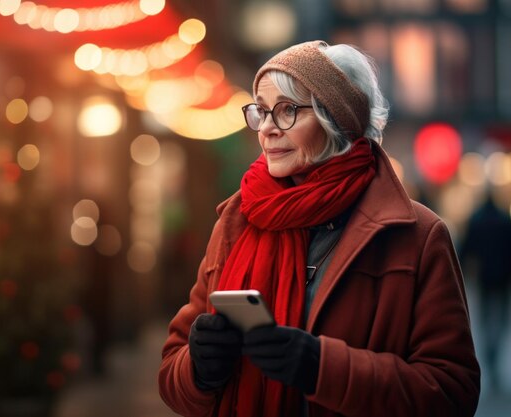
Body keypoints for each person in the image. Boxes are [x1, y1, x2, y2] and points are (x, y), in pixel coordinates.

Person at [158, 40, 480, 417]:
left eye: (287, 110)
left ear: (337, 119)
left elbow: (452, 393)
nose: (268, 130)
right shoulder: (237, 222)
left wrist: (322, 369)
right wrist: (198, 368)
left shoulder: (418, 236)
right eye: (261, 112)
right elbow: (170, 374)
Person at [459, 191, 511, 392]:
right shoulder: (505, 219)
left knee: (486, 318)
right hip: (503, 276)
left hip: (484, 276)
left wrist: (462, 272)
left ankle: (489, 352)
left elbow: (467, 248)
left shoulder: (476, 219)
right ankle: (494, 353)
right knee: (503, 318)